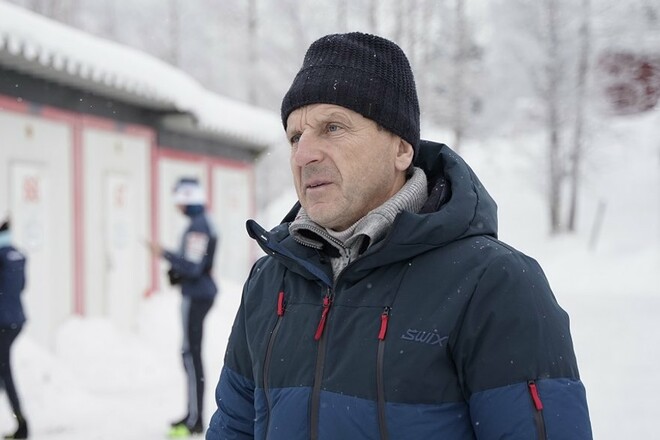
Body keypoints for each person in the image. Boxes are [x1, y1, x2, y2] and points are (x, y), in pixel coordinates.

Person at [206, 32, 592, 439]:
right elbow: (234, 428)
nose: (303, 155)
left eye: (332, 127)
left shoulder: (493, 284)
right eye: (295, 137)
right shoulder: (270, 282)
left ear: (402, 150)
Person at [148, 178, 218, 438]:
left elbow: (192, 267)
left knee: (191, 356)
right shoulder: (202, 222)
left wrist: (164, 254)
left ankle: (194, 419)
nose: (176, 205)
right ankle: (192, 414)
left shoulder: (198, 225)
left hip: (197, 295)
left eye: (179, 199)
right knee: (190, 355)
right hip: (198, 293)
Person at [0, 218, 28, 439]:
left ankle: (22, 424)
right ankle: (21, 423)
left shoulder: (1, 257)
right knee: (3, 370)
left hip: (2, 323)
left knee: (5, 372)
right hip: (16, 321)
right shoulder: (18, 255)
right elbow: (22, 286)